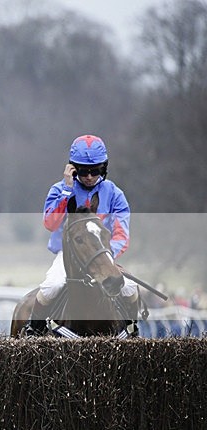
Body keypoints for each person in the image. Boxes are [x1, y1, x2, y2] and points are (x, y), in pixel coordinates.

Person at [27, 134, 138, 334]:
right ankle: (33, 330)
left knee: (129, 287)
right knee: (51, 285)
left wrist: (105, 257)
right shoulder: (58, 190)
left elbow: (122, 235)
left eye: (94, 171)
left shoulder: (115, 195)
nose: (88, 176)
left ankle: (132, 329)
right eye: (83, 171)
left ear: (103, 169)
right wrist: (67, 189)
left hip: (104, 255)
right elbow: (50, 223)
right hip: (68, 255)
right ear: (72, 168)